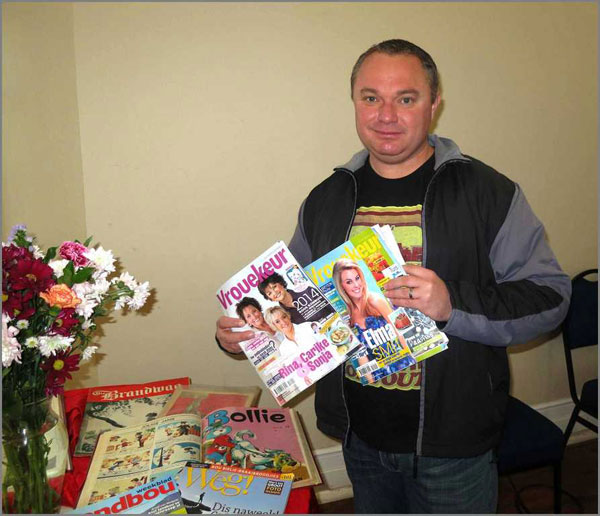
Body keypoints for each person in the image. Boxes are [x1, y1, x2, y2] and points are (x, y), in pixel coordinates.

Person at [216, 39, 571, 513]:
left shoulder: (489, 192)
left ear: (434, 103)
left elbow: (551, 298)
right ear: (355, 102)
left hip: (453, 443)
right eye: (371, 98)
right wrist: (246, 333)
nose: (386, 115)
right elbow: (298, 305)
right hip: (360, 437)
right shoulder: (325, 199)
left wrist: (453, 304)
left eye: (405, 98)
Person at [257, 272, 334, 324]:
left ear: (281, 283)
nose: (274, 293)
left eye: (274, 287)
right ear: (269, 298)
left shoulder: (306, 290)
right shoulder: (283, 315)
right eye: (269, 293)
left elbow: (333, 306)